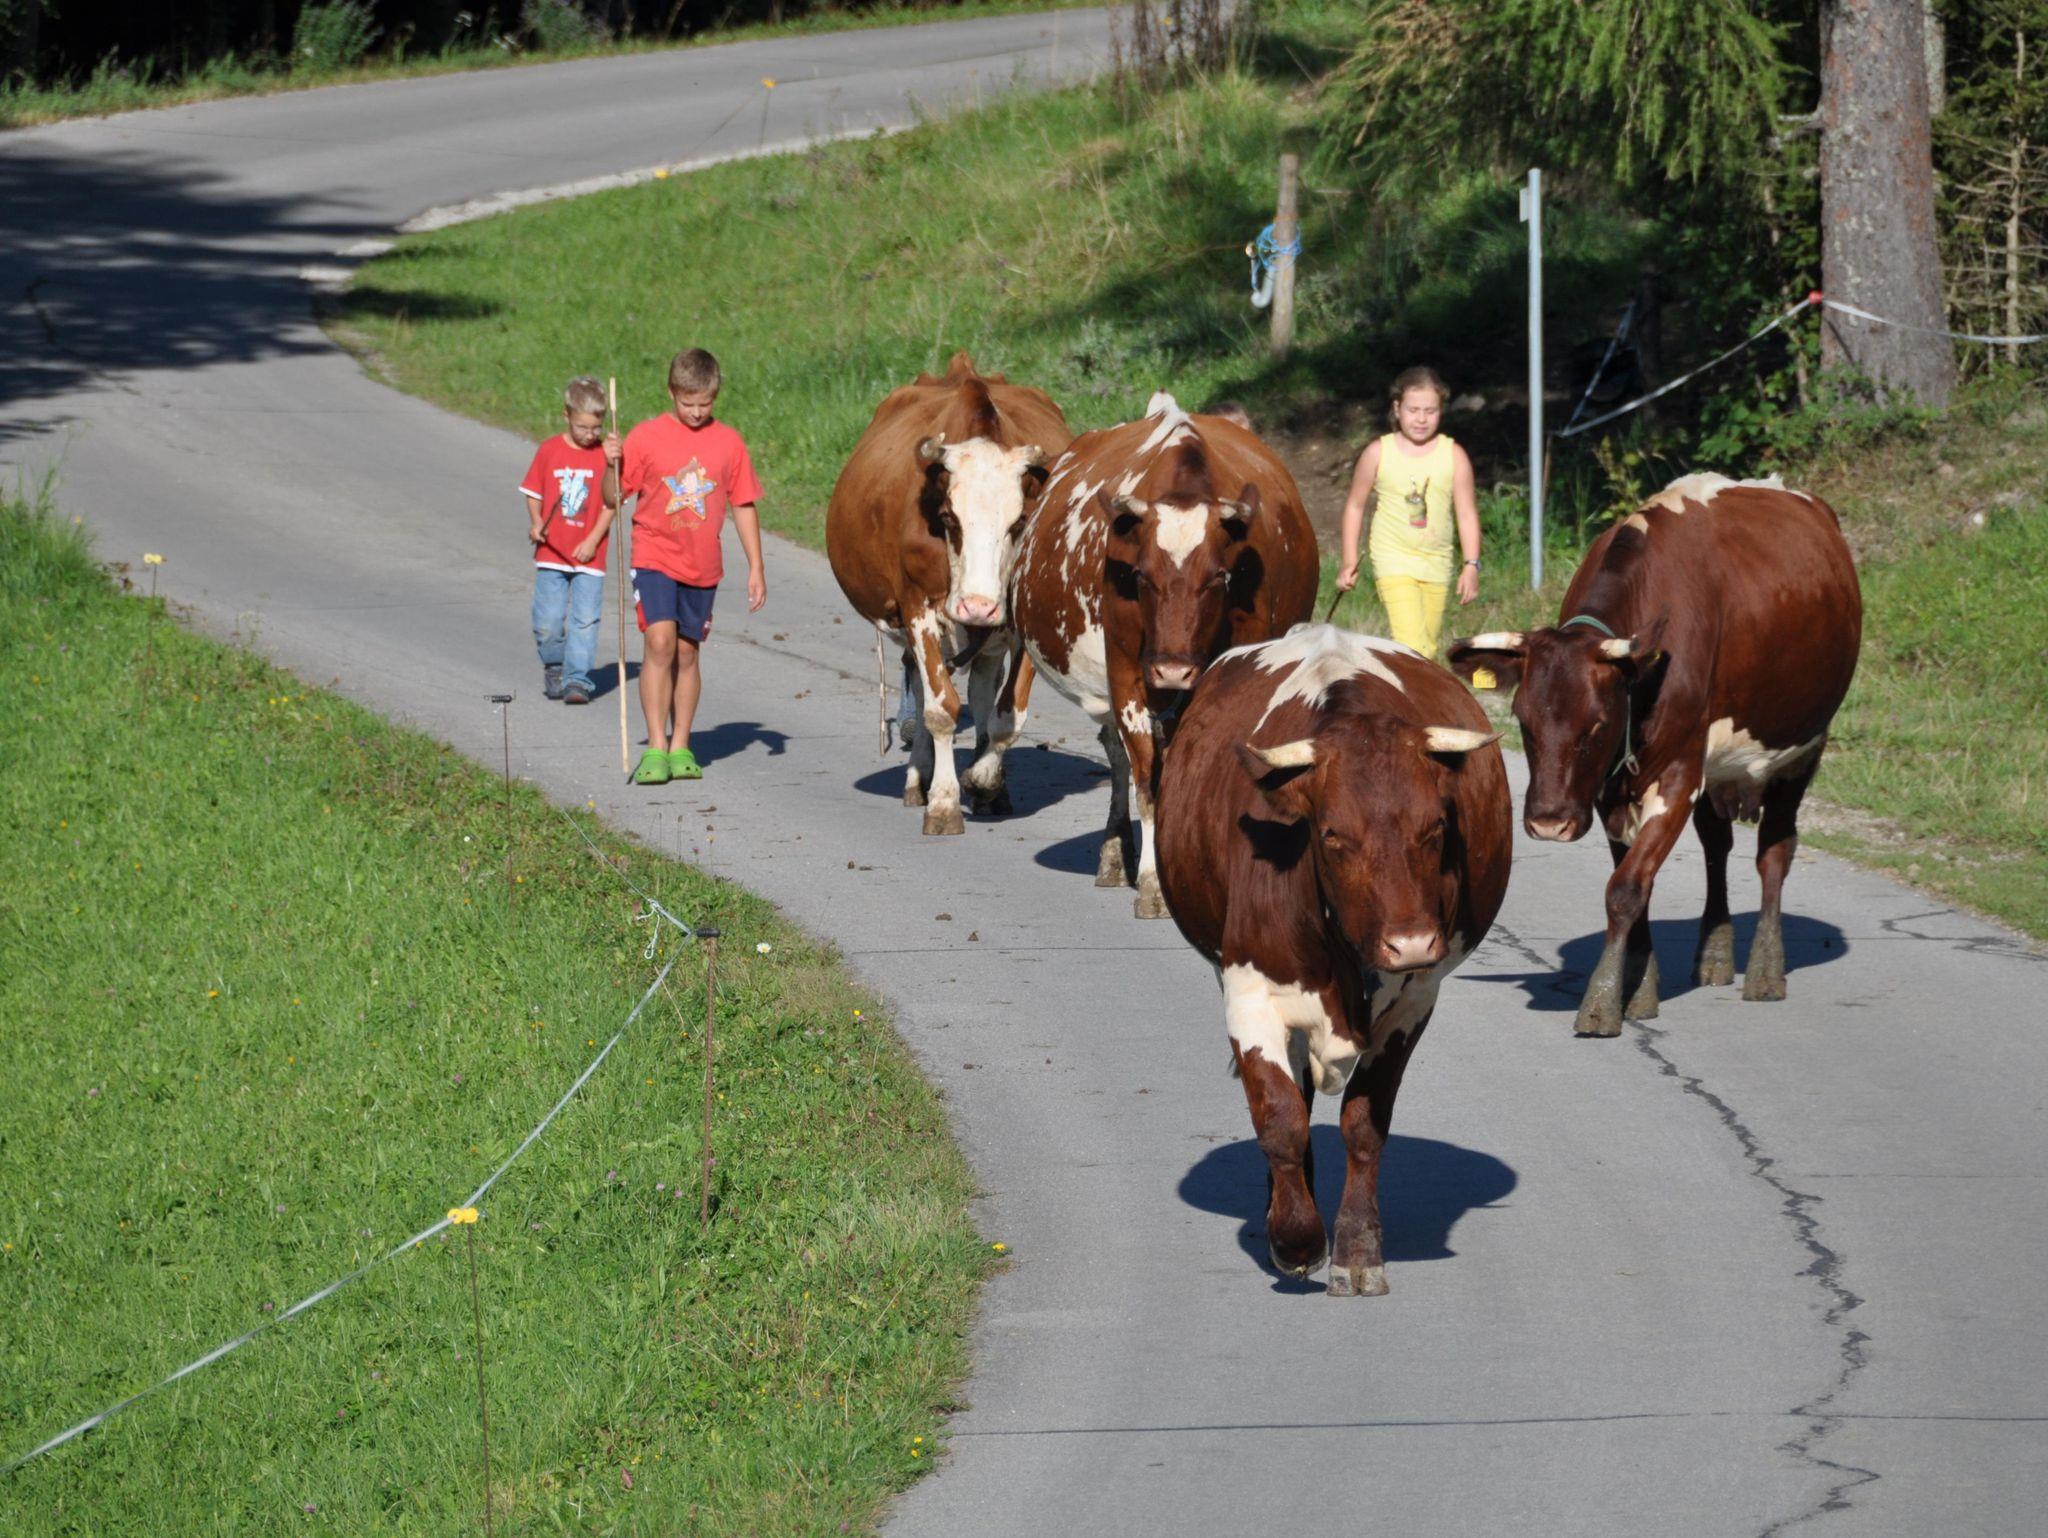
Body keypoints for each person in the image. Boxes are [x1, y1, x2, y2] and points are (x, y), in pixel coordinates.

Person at [605, 347, 767, 784]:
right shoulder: (645, 437)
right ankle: (656, 746)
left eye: (705, 403)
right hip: (654, 555)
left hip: (702, 565)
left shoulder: (729, 443)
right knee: (660, 643)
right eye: (687, 403)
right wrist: (609, 464)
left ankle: (681, 744)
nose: (696, 412)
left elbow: (743, 504)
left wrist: (756, 566)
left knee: (687, 652)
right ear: (671, 393)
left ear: (716, 395)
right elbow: (612, 496)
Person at [1334, 366, 1485, 678]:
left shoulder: (1453, 455)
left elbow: (1467, 513)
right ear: (1397, 409)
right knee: (1413, 644)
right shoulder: (1379, 452)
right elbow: (1355, 506)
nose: (1421, 419)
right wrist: (1349, 560)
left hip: (1437, 561)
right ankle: (1412, 700)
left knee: (1427, 645)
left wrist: (1471, 565)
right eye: (1413, 410)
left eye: (1430, 411)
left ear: (1441, 411)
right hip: (1393, 558)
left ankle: (1406, 695)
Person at [520, 376, 620, 705]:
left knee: (585, 620)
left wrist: (592, 540)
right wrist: (537, 522)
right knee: (548, 620)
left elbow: (611, 504)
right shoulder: (550, 450)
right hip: (552, 553)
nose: (590, 434)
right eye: (582, 427)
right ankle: (554, 664)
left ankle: (577, 679)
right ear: (566, 416)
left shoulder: (605, 455)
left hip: (589, 556)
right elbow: (533, 492)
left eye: (596, 427)